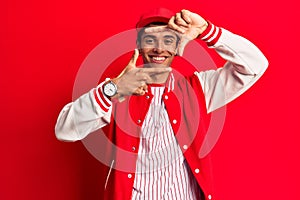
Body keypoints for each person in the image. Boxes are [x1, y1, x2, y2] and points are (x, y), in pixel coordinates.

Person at [55, 8, 268, 200]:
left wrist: (206, 30)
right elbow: (65, 130)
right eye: (150, 40)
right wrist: (113, 89)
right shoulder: (118, 91)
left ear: (177, 46)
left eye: (168, 40)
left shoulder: (199, 89)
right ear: (138, 45)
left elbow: (255, 65)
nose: (159, 49)